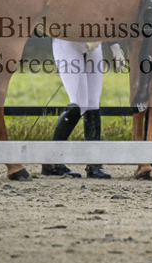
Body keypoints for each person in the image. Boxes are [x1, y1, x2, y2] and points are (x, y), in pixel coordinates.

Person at [41, 39, 112, 179]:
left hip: (94, 44)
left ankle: (94, 164)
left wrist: (114, 46)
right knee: (79, 103)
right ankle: (52, 162)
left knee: (93, 102)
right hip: (68, 41)